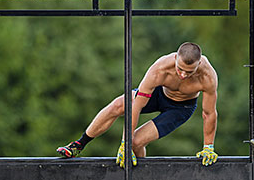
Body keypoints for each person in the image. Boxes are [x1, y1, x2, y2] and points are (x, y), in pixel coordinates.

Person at [56, 42, 219, 167]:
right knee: (118, 104)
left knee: (135, 143)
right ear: (175, 58)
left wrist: (208, 147)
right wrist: (123, 142)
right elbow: (136, 105)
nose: (183, 75)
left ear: (198, 65)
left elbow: (209, 113)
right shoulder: (160, 68)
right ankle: (79, 144)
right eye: (180, 69)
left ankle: (141, 174)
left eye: (189, 72)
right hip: (158, 93)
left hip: (181, 108)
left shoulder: (207, 77)